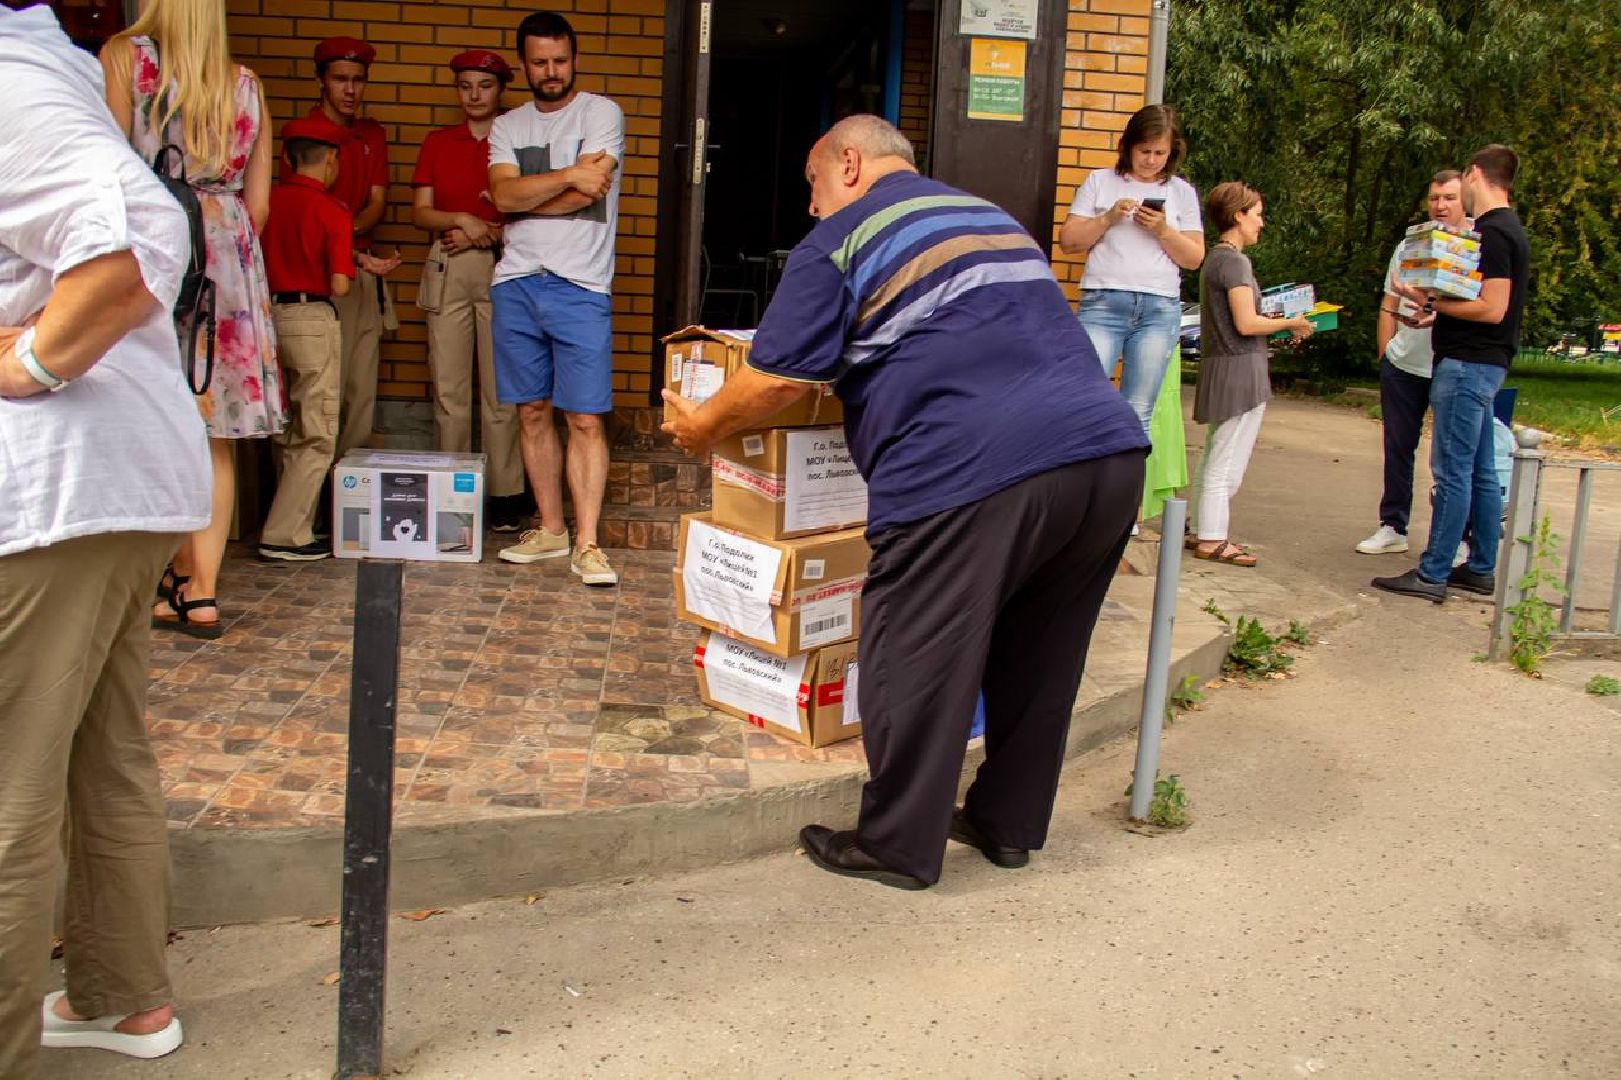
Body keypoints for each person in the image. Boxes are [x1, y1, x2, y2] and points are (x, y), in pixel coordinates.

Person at [663, 115, 1149, 890]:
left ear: (848, 165)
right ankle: (1006, 823)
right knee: (1039, 654)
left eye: (814, 186)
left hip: (974, 470)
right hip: (1108, 457)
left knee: (910, 651)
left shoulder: (841, 237)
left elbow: (780, 375)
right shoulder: (989, 217)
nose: (813, 207)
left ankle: (895, 845)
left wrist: (700, 427)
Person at [0, 5, 211, 1073]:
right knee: (101, 750)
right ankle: (124, 996)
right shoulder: (55, 76)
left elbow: (128, 250)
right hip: (116, 484)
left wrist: (26, 363)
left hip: (54, 491)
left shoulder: (12, 80)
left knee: (8, 786)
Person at [98, 0, 281, 639]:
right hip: (227, 256)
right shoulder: (247, 85)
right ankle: (199, 590)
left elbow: (108, 169)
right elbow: (258, 206)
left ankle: (161, 576)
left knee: (145, 420)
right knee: (215, 433)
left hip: (152, 245)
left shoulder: (127, 59)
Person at [488, 11, 623, 586]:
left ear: (574, 58)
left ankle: (588, 544)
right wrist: (566, 175)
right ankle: (551, 529)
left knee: (585, 418)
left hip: (581, 284)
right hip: (515, 281)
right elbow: (500, 193)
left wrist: (519, 200)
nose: (551, 71)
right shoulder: (507, 125)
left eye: (560, 60)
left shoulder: (601, 113)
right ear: (524, 65)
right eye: (540, 61)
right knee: (531, 411)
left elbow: (588, 192)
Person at [1374, 145, 1529, 603]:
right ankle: (1479, 566)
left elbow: (1493, 307)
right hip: (1481, 362)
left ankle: (1433, 572)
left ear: (1475, 174)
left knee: (1452, 470)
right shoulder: (1508, 229)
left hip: (1466, 366)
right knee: (1480, 470)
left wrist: (1434, 304)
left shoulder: (1495, 232)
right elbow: (1481, 306)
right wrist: (1437, 312)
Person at [412, 49, 525, 533]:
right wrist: (464, 219)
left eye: (484, 85)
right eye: (466, 86)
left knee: (501, 389)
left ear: (500, 90)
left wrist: (489, 230)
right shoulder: (438, 141)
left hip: (504, 265)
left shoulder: (515, 138)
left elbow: (529, 206)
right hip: (450, 263)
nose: (475, 95)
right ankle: (451, 486)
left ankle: (504, 494)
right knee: (450, 388)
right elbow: (422, 212)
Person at [257, 114, 376, 561]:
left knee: (285, 428)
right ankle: (287, 533)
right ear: (330, 160)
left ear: (288, 158)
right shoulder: (332, 210)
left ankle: (281, 521)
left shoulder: (267, 201)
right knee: (318, 429)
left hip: (267, 317)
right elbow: (341, 284)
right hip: (312, 316)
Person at [1058, 104, 1205, 436]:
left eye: (1160, 153)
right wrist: (1108, 217)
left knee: (1138, 411)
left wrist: (1163, 230)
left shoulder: (1181, 192)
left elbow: (1195, 258)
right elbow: (1068, 241)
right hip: (1104, 302)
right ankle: (1081, 485)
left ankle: (1125, 489)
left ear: (1172, 152)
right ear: (1128, 146)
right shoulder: (1100, 181)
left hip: (1159, 308)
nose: (1151, 160)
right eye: (1144, 151)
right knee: (1084, 401)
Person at [1189, 182, 1314, 567]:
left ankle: (1200, 530)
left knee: (1217, 451)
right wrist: (1291, 322)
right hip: (1241, 370)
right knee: (1227, 460)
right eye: (1257, 214)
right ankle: (1212, 537)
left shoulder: (1216, 259)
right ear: (1239, 215)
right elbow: (1245, 322)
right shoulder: (1235, 262)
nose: (1262, 222)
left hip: (1223, 367)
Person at [1356, 170, 1469, 558]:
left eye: (1450, 198)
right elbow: (1389, 301)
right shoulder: (1410, 244)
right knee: (1398, 449)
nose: (1441, 205)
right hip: (1404, 363)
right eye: (1435, 197)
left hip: (1450, 364)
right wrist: (1386, 351)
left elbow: (1478, 305)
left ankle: (1455, 539)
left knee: (1451, 458)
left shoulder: (1474, 247)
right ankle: (1392, 526)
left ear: (1465, 200)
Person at [300, 36, 396, 462]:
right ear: (321, 81)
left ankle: (348, 484)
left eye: (358, 80)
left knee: (361, 383)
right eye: (340, 79)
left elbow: (377, 200)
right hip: (317, 273)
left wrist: (346, 230)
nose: (350, 90)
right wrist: (339, 238)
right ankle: (314, 490)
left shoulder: (371, 133)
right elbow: (303, 205)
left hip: (362, 268)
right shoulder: (304, 135)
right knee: (324, 387)